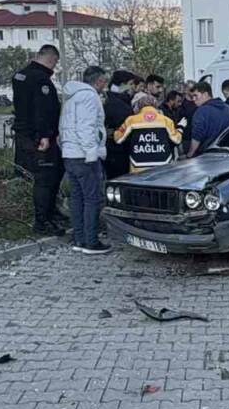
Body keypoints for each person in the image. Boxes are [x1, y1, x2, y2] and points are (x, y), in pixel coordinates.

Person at [12, 44, 66, 236]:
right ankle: (43, 222)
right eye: (55, 63)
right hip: (39, 138)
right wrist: (45, 135)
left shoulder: (20, 75)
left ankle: (50, 213)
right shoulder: (40, 79)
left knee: (53, 172)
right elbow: (42, 110)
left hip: (24, 135)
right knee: (46, 178)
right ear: (52, 60)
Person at [60, 65, 111, 254]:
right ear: (99, 80)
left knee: (77, 198)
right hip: (84, 156)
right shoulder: (89, 96)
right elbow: (86, 127)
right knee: (92, 199)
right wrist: (92, 153)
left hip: (70, 154)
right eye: (104, 81)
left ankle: (79, 239)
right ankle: (91, 242)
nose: (105, 85)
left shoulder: (72, 97)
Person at [116, 92, 183, 170]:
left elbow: (118, 139)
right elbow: (177, 140)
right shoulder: (166, 120)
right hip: (162, 167)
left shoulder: (131, 120)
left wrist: (116, 131)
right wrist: (180, 128)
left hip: (138, 168)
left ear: (139, 106)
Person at [103, 70, 137, 179]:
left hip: (113, 151)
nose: (133, 87)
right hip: (118, 152)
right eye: (131, 84)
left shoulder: (112, 100)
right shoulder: (118, 105)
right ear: (122, 85)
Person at [186, 80, 229, 156]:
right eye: (192, 97)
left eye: (196, 95)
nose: (193, 99)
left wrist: (190, 154)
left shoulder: (201, 111)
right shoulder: (228, 108)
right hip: (228, 153)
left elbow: (197, 136)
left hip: (207, 155)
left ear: (205, 94)